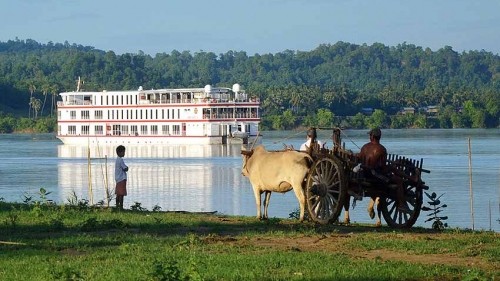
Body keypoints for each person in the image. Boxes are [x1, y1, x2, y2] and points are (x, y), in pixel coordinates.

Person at [357, 128, 409, 212]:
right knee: (399, 181)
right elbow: (383, 167)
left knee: (392, 168)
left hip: (364, 174)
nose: (369, 137)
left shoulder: (365, 147)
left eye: (370, 135)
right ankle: (401, 204)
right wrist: (392, 168)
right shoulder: (381, 149)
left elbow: (359, 158)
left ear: (373, 137)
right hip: (374, 176)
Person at [114, 145, 129, 209]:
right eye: (123, 152)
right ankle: (121, 207)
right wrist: (127, 168)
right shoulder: (121, 160)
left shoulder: (117, 160)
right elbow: (125, 168)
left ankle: (117, 206)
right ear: (120, 152)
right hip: (121, 179)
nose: (124, 153)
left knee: (118, 194)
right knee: (121, 194)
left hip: (117, 179)